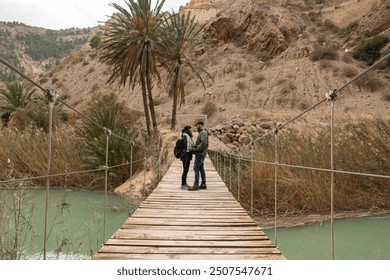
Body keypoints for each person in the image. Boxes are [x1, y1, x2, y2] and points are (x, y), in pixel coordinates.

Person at [188, 120, 208, 191]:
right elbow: (200, 143)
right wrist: (194, 146)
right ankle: (203, 184)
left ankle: (196, 185)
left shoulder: (203, 133)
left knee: (196, 168)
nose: (196, 127)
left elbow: (203, 143)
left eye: (197, 125)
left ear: (200, 125)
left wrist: (195, 150)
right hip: (200, 153)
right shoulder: (202, 133)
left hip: (200, 154)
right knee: (201, 168)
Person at [180, 125, 194, 190]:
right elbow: (187, 147)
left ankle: (184, 183)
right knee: (185, 170)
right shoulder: (186, 137)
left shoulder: (185, 136)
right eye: (190, 129)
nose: (191, 131)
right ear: (188, 130)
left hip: (184, 156)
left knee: (185, 170)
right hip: (186, 156)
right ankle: (183, 184)